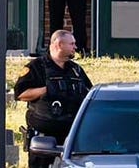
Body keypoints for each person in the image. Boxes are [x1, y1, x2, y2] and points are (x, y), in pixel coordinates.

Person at [14, 30, 92, 168]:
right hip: (45, 141)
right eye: (72, 44)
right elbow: (21, 94)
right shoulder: (36, 67)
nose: (75, 47)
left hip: (72, 137)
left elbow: (89, 94)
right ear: (59, 44)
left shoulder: (76, 70)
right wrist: (47, 89)